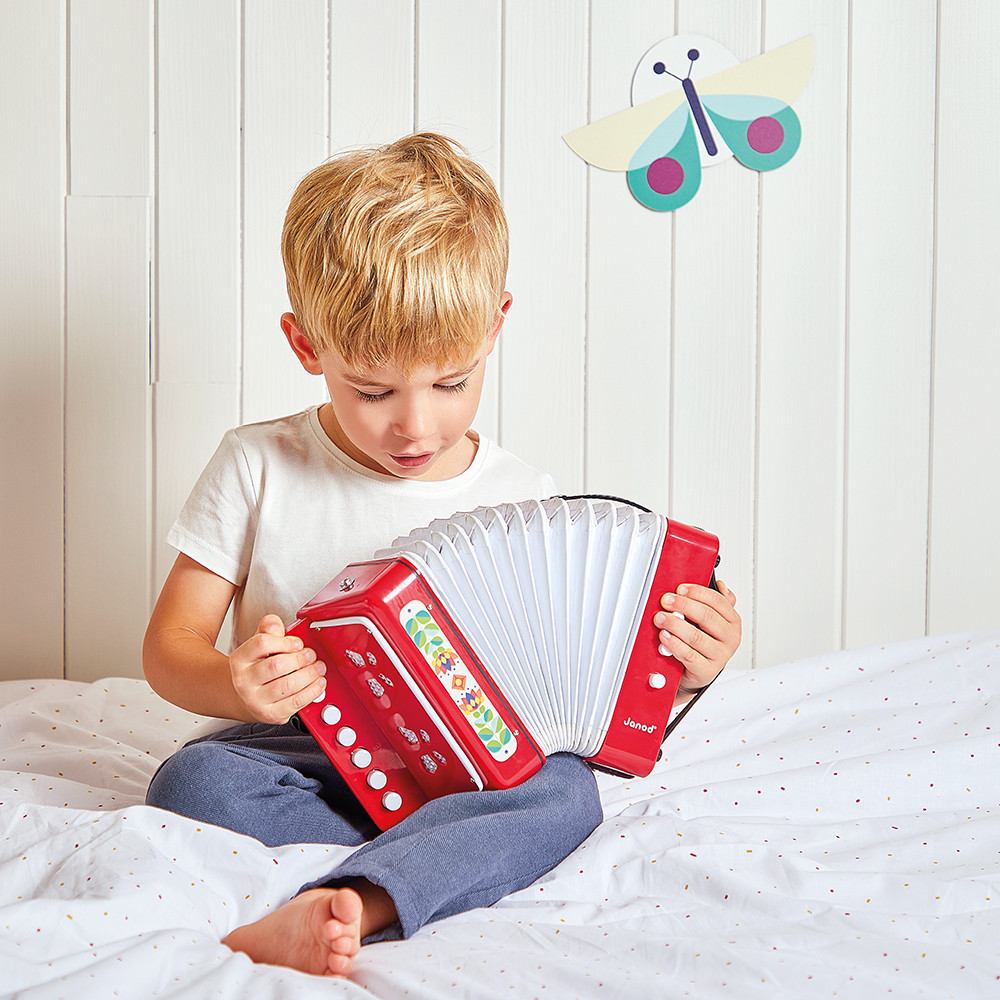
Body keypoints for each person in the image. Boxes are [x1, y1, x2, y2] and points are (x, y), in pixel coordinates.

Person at [142, 132, 742, 978]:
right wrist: (236, 683)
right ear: (306, 345)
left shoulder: (524, 497)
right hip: (300, 749)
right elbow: (168, 652)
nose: (414, 426)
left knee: (566, 792)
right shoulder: (257, 463)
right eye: (373, 390)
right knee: (192, 786)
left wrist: (689, 670)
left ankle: (363, 899)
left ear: (496, 325)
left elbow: (580, 682)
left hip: (467, 759)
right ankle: (429, 862)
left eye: (450, 382)